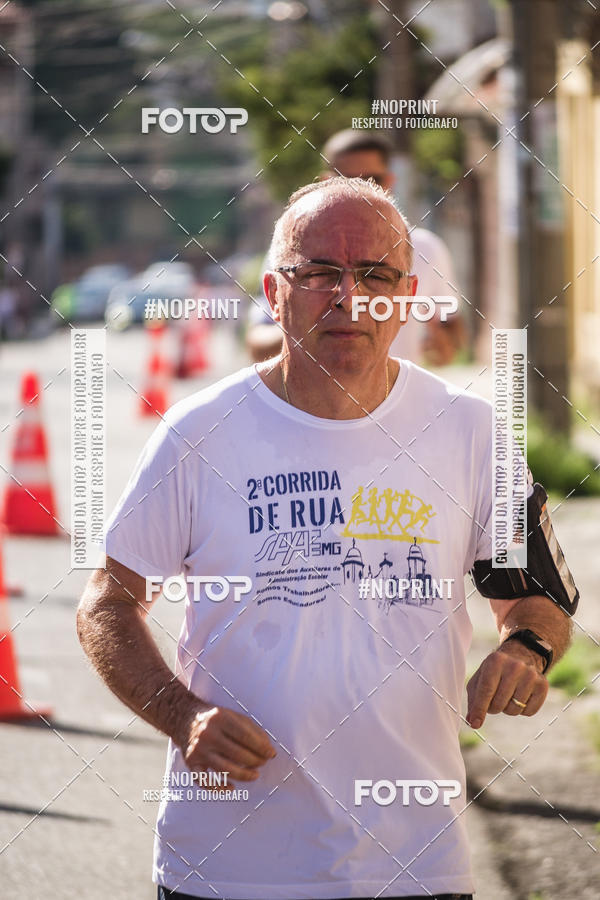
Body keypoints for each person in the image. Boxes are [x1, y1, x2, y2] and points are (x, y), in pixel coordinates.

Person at [78, 177, 576, 900]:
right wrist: (181, 717)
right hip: (227, 868)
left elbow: (538, 603)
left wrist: (527, 651)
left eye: (374, 274)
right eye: (318, 274)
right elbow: (107, 605)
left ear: (406, 297)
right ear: (275, 296)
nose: (349, 297)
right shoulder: (198, 434)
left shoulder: (469, 434)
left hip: (415, 864)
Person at [245, 128, 466, 365]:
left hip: (395, 398)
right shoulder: (294, 248)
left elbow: (452, 335)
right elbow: (258, 345)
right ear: (325, 182)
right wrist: (316, 324)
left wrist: (441, 346)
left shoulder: (425, 249)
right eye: (320, 273)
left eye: (379, 276)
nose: (360, 189)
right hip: (314, 399)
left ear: (390, 181)